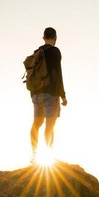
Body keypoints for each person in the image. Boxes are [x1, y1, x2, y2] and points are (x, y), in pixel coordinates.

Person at [30, 27, 67, 164]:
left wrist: (34, 93)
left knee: (36, 124)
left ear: (43, 37)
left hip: (36, 94)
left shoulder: (36, 52)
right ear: (55, 38)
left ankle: (35, 156)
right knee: (49, 126)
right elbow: (58, 74)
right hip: (51, 94)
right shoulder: (55, 52)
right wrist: (62, 95)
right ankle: (49, 158)